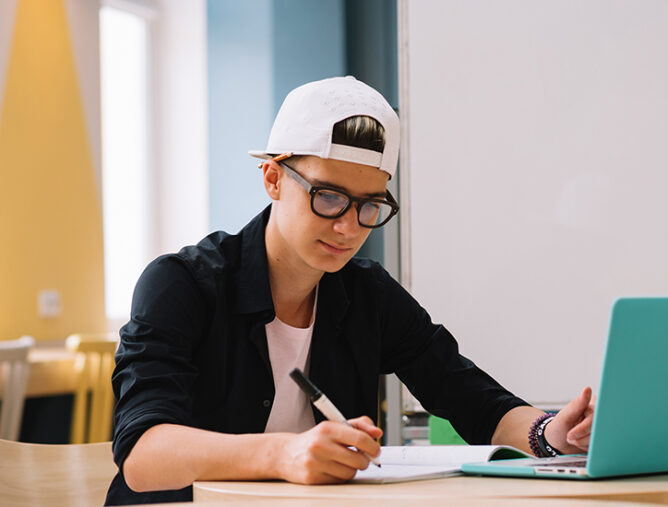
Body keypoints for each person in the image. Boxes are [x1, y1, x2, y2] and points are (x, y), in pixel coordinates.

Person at [105, 76, 595, 505]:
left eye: (369, 205)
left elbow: (472, 399)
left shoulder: (367, 294)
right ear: (273, 178)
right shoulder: (182, 284)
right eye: (329, 197)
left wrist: (553, 434)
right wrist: (284, 452)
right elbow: (144, 455)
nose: (347, 227)